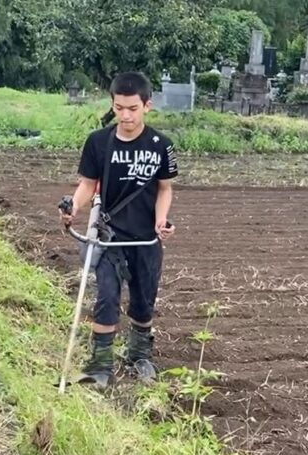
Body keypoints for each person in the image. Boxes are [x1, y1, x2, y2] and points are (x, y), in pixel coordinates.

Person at [59, 71, 178, 387]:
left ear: (147, 105)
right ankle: (100, 364)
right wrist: (74, 206)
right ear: (112, 105)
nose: (126, 116)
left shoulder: (161, 146)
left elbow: (164, 188)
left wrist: (161, 220)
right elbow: (88, 185)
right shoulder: (99, 142)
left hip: (146, 239)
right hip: (109, 236)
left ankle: (139, 355)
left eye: (133, 109)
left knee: (143, 299)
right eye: (119, 108)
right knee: (107, 297)